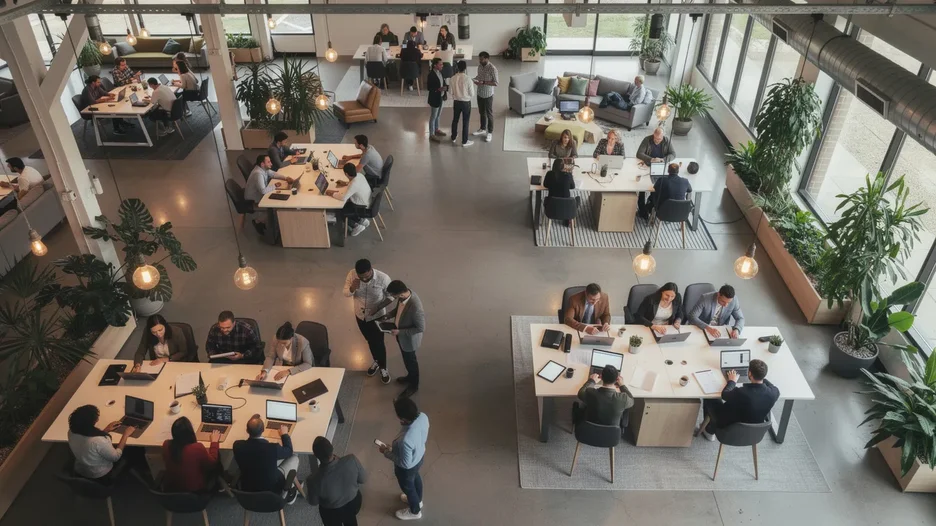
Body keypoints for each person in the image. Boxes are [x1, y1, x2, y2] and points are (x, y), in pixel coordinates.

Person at [700, 359, 779, 441]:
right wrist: (761, 377)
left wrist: (732, 381)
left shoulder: (741, 393)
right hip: (753, 433)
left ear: (750, 373)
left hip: (729, 429)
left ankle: (709, 431)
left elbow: (724, 394)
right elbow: (772, 386)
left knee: (710, 397)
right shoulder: (774, 393)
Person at [378, 398, 429, 521]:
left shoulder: (406, 440)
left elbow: (405, 464)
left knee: (408, 488)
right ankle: (418, 501)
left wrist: (386, 452)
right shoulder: (423, 416)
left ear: (403, 418)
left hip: (407, 468)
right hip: (419, 456)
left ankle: (415, 511)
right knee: (416, 478)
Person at [344, 259, 392, 383]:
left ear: (371, 270)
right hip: (360, 316)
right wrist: (352, 288)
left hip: (377, 316)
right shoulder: (352, 274)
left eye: (366, 277)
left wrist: (378, 307)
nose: (364, 279)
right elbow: (345, 293)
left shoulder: (383, 278)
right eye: (361, 277)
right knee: (370, 340)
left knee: (379, 342)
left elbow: (391, 296)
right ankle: (376, 360)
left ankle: (383, 367)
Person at [232, 414, 300, 503]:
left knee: (266, 459)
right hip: (273, 491)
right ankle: (289, 493)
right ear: (263, 430)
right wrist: (285, 435)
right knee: (294, 457)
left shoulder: (237, 446)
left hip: (248, 490)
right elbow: (289, 451)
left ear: (247, 430)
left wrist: (252, 423)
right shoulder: (272, 448)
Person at [305, 436, 366, 526]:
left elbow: (313, 502)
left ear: (316, 456)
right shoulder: (351, 459)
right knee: (351, 520)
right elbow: (363, 479)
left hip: (332, 513)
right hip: (354, 503)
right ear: (332, 448)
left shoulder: (313, 480)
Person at [67, 405, 133, 482]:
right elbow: (115, 457)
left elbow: (89, 439)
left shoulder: (71, 432)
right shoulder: (99, 441)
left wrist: (106, 429)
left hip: (81, 468)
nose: (97, 419)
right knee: (130, 453)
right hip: (100, 474)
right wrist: (125, 435)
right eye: (96, 418)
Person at [382, 280, 425, 398]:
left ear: (400, 294)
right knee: (406, 360)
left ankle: (414, 385)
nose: (392, 298)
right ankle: (410, 377)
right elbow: (399, 310)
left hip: (409, 340)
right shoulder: (404, 296)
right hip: (401, 337)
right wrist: (388, 315)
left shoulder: (416, 307)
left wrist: (400, 332)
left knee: (411, 362)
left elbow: (420, 328)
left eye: (393, 295)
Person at [161, 417, 220, 493]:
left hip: (173, 489)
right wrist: (214, 442)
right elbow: (213, 461)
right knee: (218, 461)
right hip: (195, 490)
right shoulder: (197, 448)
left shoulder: (166, 444)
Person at [573, 365, 634, 436]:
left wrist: (591, 381)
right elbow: (631, 400)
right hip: (611, 435)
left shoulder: (591, 393)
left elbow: (580, 393)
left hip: (589, 431)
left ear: (601, 377)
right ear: (617, 379)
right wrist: (622, 385)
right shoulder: (623, 398)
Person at [245, 154, 292, 234]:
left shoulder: (263, 169)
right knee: (274, 207)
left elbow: (273, 174)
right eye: (269, 162)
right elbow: (263, 191)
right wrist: (275, 186)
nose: (271, 164)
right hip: (253, 198)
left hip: (258, 193)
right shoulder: (258, 174)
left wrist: (285, 178)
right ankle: (258, 221)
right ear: (262, 164)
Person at [326, 163, 373, 237]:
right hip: (368, 201)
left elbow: (343, 197)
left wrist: (331, 194)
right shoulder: (360, 175)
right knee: (346, 204)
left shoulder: (353, 184)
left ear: (346, 174)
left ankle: (356, 226)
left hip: (361, 206)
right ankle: (362, 220)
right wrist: (346, 183)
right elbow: (354, 185)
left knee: (341, 211)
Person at [471, 51, 498, 143]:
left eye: (482, 59)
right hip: (480, 93)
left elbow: (496, 83)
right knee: (481, 112)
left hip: (488, 94)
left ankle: (490, 132)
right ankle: (482, 128)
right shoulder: (479, 67)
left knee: (489, 113)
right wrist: (474, 79)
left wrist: (483, 82)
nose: (480, 61)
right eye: (479, 59)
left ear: (487, 58)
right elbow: (479, 76)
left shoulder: (492, 69)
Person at [450, 60, 474, 147]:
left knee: (455, 120)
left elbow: (450, 91)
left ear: (457, 67)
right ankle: (464, 141)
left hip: (456, 102)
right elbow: (472, 93)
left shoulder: (452, 78)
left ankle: (453, 137)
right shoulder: (468, 79)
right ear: (465, 68)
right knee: (465, 121)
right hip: (466, 103)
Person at [427, 58, 446, 141]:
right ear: (435, 65)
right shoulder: (431, 75)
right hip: (434, 98)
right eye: (440, 64)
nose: (442, 65)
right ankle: (431, 134)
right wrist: (438, 89)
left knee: (438, 115)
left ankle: (437, 129)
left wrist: (444, 91)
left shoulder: (440, 73)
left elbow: (443, 83)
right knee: (433, 116)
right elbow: (429, 88)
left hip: (441, 97)